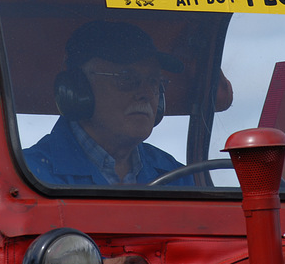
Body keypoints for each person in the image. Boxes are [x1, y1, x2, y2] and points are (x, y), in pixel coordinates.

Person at [23, 20, 192, 186]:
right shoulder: (29, 177)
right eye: (127, 79)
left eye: (154, 81)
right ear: (78, 88)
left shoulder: (177, 177)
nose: (146, 94)